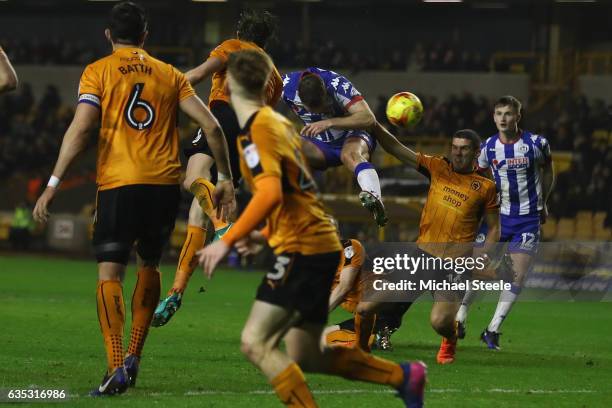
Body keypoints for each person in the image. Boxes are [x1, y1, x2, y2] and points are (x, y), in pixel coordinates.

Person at [197, 49, 426, 408]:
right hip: (312, 241)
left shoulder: (260, 129)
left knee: (256, 343)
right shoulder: (276, 128)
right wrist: (264, 235)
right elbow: (293, 192)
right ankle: (403, 376)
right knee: (306, 354)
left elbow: (272, 193)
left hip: (303, 248)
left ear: (227, 84)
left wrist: (230, 239)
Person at [32, 1, 234, 396]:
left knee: (110, 274)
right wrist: (224, 177)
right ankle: (134, 357)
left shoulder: (98, 72)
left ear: (108, 35)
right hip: (161, 186)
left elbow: (82, 127)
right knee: (150, 264)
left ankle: (114, 366)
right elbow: (211, 125)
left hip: (119, 184)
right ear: (145, 35)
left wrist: (54, 181)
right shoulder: (171, 74)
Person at [152, 10, 283, 327]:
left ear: (242, 30)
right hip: (250, 134)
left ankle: (223, 226)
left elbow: (196, 75)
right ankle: (175, 292)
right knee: (198, 213)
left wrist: (161, 89)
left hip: (222, 116)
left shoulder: (232, 46)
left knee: (193, 180)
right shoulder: (274, 74)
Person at [370, 126, 501, 364]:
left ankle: (449, 338)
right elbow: (398, 149)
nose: (458, 153)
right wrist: (373, 126)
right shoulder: (438, 167)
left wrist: (483, 256)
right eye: (455, 148)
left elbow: (494, 227)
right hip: (423, 254)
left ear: (476, 152)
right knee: (388, 297)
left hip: (456, 264)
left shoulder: (486, 187)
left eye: (464, 149)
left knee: (440, 321)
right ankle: (379, 331)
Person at [455, 95, 555, 350]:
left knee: (516, 276)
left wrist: (543, 201)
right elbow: (479, 179)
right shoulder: (488, 148)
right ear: (494, 117)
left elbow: (548, 170)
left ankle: (493, 329)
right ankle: (460, 316)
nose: (503, 118)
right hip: (497, 219)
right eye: (499, 114)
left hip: (527, 219)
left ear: (517, 117)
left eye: (508, 114)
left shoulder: (536, 144)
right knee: (477, 268)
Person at [281, 67, 387, 227]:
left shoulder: (337, 84)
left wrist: (330, 122)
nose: (321, 111)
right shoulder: (285, 86)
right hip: (320, 145)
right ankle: (299, 208)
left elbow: (368, 118)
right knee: (288, 148)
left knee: (349, 155)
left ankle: (374, 196)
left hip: (353, 135)